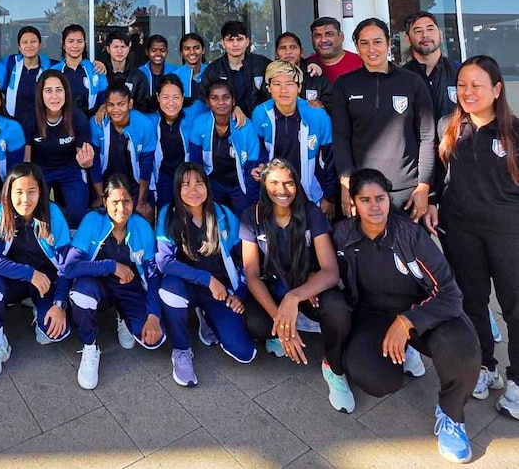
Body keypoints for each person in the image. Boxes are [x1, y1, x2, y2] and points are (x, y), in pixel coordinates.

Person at [333, 168, 480, 463]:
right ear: (353, 204)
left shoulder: (410, 236)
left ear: (389, 199)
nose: (375, 206)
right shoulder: (342, 235)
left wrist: (408, 321)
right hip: (372, 313)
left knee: (463, 347)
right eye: (365, 200)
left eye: (381, 198)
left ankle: (452, 416)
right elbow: (325, 274)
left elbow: (450, 294)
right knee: (377, 380)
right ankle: (403, 355)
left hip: (420, 311)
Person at [424, 55, 519, 420]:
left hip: (508, 232)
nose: (468, 92)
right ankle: (485, 367)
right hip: (460, 231)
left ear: (496, 89)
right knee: (472, 302)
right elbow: (437, 176)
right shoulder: (448, 125)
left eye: (477, 85)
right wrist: (432, 202)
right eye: (462, 85)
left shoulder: (513, 131)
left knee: (514, 307)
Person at [239, 158, 353, 412]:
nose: (282, 190)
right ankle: (286, 329)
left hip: (306, 289)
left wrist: (295, 297)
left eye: (289, 183)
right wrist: (278, 321)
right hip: (274, 291)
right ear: (264, 185)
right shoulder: (252, 215)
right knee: (256, 322)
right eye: (275, 183)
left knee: (337, 309)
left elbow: (330, 271)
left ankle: (333, 367)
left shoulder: (311, 212)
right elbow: (252, 274)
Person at [156, 162, 256, 387]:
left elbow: (246, 259)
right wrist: (206, 279)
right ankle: (181, 350)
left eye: (199, 183)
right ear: (177, 189)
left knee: (245, 352)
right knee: (169, 291)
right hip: (186, 285)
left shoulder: (223, 215)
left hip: (219, 290)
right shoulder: (168, 214)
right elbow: (164, 262)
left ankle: (207, 316)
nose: (193, 190)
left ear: (208, 187)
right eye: (186, 184)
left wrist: (239, 292)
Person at [65, 175, 165, 390]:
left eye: (127, 201)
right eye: (115, 202)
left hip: (129, 286)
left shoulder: (142, 227)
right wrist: (111, 266)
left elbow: (152, 275)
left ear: (133, 201)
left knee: (152, 339)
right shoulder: (93, 220)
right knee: (80, 295)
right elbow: (70, 267)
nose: (122, 208)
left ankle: (124, 314)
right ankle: (90, 346)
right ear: (104, 201)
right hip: (96, 284)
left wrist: (154, 315)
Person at [0, 163, 71, 383]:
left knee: (53, 334)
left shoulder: (53, 213)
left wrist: (59, 305)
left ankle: (40, 308)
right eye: (18, 192)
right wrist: (29, 273)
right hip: (15, 280)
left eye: (32, 191)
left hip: (47, 282)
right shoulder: (0, 212)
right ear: (9, 192)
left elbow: (67, 264)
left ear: (41, 192)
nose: (25, 199)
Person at [332, 18, 436, 220]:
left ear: (389, 43)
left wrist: (424, 187)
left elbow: (427, 136)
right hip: (363, 190)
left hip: (407, 191)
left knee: (410, 251)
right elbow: (341, 137)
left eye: (377, 41)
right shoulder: (344, 85)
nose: (372, 49)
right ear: (356, 47)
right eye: (364, 43)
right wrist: (346, 184)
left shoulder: (412, 82)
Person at [251, 60, 336, 218]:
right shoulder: (260, 114)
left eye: (290, 83)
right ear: (268, 88)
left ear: (299, 87)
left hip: (312, 195)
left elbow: (330, 159)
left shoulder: (317, 115)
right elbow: (259, 151)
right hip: (274, 194)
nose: (284, 90)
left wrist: (329, 197)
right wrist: (260, 166)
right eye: (277, 84)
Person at [25, 69, 94, 229]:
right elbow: (26, 162)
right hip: (39, 169)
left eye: (59, 90)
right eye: (48, 91)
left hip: (70, 168)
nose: (54, 96)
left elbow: (83, 158)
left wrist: (86, 162)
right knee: (36, 214)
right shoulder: (30, 117)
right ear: (40, 94)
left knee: (78, 214)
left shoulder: (76, 116)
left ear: (66, 92)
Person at [189, 79, 261, 218]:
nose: (221, 102)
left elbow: (252, 168)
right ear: (207, 102)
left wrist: (252, 201)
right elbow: (195, 164)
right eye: (214, 98)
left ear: (234, 101)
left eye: (226, 97)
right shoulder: (199, 124)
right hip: (212, 183)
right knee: (214, 220)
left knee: (246, 219)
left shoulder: (246, 126)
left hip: (239, 184)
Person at [90, 81, 156, 220]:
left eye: (121, 104)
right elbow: (94, 164)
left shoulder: (144, 125)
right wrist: (100, 196)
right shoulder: (97, 123)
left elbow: (146, 165)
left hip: (136, 185)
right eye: (111, 105)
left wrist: (141, 201)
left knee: (145, 215)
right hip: (106, 185)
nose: (116, 110)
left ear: (130, 104)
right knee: (96, 216)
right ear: (105, 105)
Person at [149, 74, 204, 209]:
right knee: (165, 213)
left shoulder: (195, 110)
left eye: (176, 97)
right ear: (158, 97)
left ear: (183, 97)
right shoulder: (149, 117)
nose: (171, 103)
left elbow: (219, 105)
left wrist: (236, 109)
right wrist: (103, 108)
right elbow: (124, 108)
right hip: (164, 175)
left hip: (188, 175)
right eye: (165, 97)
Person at [200, 20, 270, 118]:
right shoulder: (213, 70)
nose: (235, 44)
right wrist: (231, 109)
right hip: (226, 124)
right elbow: (205, 98)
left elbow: (271, 96)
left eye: (240, 39)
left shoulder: (262, 64)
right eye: (230, 40)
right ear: (223, 43)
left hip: (260, 123)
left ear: (247, 41)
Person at [402, 12, 459, 120]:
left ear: (440, 35)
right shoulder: (401, 77)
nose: (425, 35)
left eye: (430, 29)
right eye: (418, 31)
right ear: (407, 39)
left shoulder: (458, 71)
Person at [2, 25, 54, 137]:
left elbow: (70, 64)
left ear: (40, 44)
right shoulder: (10, 62)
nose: (29, 45)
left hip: (40, 127)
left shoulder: (50, 66)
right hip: (13, 125)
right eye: (24, 42)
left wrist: (95, 65)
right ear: (19, 47)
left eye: (33, 41)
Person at [52, 24, 108, 116]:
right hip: (62, 124)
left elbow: (106, 99)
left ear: (85, 43)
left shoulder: (97, 70)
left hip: (90, 125)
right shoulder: (54, 72)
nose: (75, 45)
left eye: (79, 41)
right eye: (71, 41)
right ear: (63, 44)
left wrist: (103, 107)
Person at [274, 31, 333, 114]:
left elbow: (333, 107)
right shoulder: (271, 78)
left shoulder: (315, 75)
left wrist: (322, 107)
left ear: (301, 52)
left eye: (293, 47)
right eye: (283, 48)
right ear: (276, 54)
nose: (288, 52)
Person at [102, 31, 152, 113]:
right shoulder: (101, 73)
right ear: (108, 49)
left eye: (123, 47)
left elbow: (144, 105)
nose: (120, 51)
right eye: (116, 47)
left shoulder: (138, 76)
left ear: (128, 49)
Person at [307, 17, 363, 84]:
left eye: (329, 34)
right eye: (318, 36)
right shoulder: (306, 66)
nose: (323, 40)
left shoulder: (360, 63)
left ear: (341, 37)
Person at [172, 33, 208, 105]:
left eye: (196, 48)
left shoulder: (211, 72)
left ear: (203, 50)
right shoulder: (175, 77)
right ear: (181, 53)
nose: (192, 52)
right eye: (187, 49)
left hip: (208, 116)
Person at [139, 34, 178, 99]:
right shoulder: (139, 73)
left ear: (167, 52)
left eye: (162, 50)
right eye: (154, 50)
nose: (158, 54)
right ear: (147, 52)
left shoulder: (175, 71)